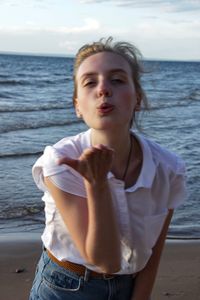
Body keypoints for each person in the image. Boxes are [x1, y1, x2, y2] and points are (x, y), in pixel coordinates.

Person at [29, 37, 186, 300]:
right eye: (90, 82)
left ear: (137, 98)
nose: (103, 89)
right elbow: (105, 261)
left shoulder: (168, 168)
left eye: (117, 79)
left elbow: (154, 248)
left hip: (127, 287)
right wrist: (96, 183)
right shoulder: (61, 160)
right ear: (77, 105)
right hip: (64, 288)